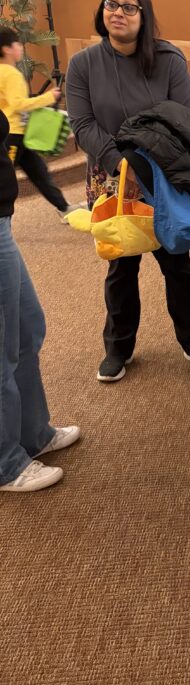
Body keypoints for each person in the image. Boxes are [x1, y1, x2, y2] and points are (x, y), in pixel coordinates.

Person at [66, 0, 190, 383]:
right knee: (120, 266)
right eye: (111, 4)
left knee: (177, 264)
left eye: (130, 7)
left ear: (144, 16)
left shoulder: (168, 59)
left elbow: (183, 117)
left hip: (162, 175)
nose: (118, 12)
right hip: (111, 176)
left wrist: (147, 168)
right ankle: (118, 347)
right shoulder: (83, 64)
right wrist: (120, 164)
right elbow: (82, 125)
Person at [0, 108, 80, 493]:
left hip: (2, 219)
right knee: (2, 349)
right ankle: (5, 463)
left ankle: (33, 433)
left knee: (28, 330)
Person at [0, 27, 79, 216]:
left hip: (19, 133)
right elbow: (18, 104)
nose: (20, 47)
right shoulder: (10, 74)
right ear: (7, 49)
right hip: (12, 135)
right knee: (5, 178)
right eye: (17, 44)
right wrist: (48, 97)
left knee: (39, 172)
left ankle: (64, 207)